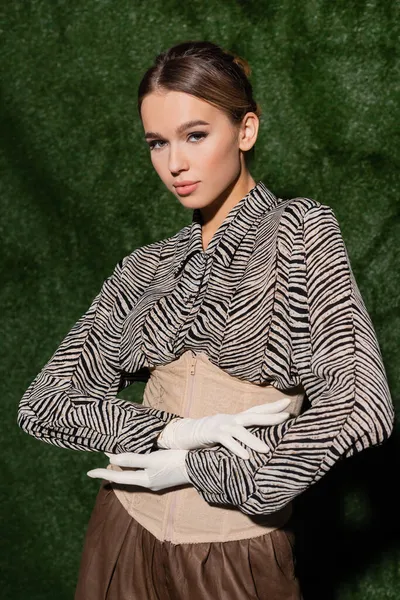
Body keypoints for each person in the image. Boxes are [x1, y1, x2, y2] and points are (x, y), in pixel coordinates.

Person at [17, 40, 394, 600]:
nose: (174, 164)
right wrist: (173, 432)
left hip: (233, 555)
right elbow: (44, 404)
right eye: (157, 143)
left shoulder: (301, 234)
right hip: (121, 535)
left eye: (196, 135)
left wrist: (201, 468)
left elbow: (364, 406)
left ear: (246, 131)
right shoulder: (148, 266)